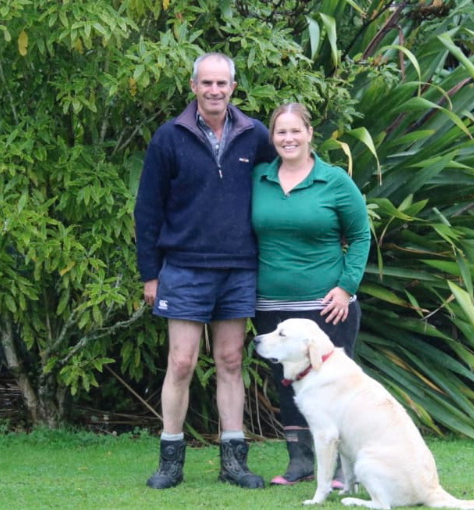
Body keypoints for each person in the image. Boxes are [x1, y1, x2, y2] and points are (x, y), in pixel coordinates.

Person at [134, 52, 276, 490]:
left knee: (231, 361)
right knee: (181, 363)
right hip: (183, 268)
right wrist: (150, 274)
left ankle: (234, 462)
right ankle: (170, 461)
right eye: (207, 83)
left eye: (222, 83)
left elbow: (283, 181)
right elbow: (148, 208)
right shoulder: (169, 137)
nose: (215, 90)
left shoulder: (255, 135)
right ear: (193, 86)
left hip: (238, 267)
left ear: (233, 87)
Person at [250, 102, 371, 486]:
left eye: (295, 131)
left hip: (328, 307)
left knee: (336, 387)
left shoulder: (334, 181)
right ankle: (300, 462)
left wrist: (346, 288)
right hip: (271, 306)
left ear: (309, 133)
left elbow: (361, 234)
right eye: (280, 132)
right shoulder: (258, 178)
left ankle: (343, 468)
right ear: (272, 137)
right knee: (287, 383)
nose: (288, 138)